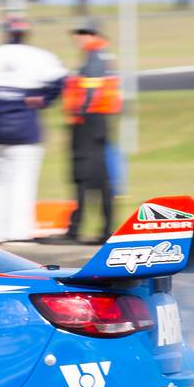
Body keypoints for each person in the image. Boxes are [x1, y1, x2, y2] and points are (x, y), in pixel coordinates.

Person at [0, 16, 68, 242]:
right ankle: (18, 231)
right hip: (25, 128)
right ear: (25, 34)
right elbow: (61, 81)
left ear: (5, 33)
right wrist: (44, 100)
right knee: (21, 182)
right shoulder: (39, 57)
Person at [62, 25, 122, 242]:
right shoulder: (102, 56)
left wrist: (80, 113)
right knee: (100, 176)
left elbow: (89, 91)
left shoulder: (94, 57)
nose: (78, 39)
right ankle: (103, 227)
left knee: (85, 174)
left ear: (93, 36)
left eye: (82, 34)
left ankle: (77, 228)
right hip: (98, 122)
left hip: (89, 121)